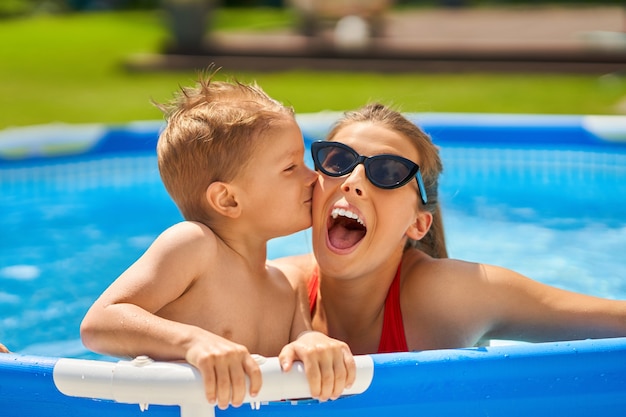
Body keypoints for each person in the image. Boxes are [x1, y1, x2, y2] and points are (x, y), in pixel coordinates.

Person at [80, 71, 355, 410]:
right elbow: (99, 323)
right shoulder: (194, 246)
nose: (313, 177)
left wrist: (313, 342)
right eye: (290, 167)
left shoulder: (287, 285)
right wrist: (192, 341)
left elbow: (301, 346)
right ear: (227, 200)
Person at [271, 103, 626, 354]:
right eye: (338, 160)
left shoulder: (447, 297)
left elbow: (612, 321)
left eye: (389, 172)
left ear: (418, 223)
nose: (353, 181)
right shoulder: (278, 290)